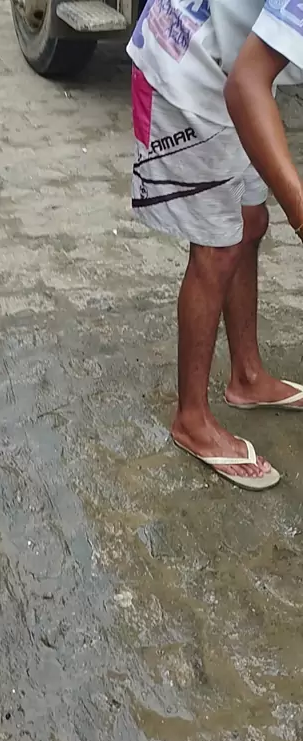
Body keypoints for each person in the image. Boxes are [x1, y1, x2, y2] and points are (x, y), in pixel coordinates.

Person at [127, 0, 303, 490]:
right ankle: (192, 418)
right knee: (217, 245)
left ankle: (247, 376)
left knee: (250, 220)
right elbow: (246, 85)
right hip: (182, 67)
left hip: (233, 63)